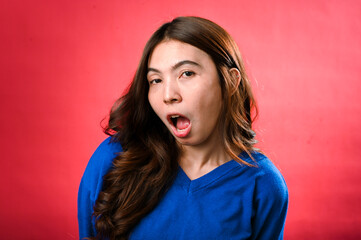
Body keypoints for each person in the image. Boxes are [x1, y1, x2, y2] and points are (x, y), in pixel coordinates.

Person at [78, 16, 288, 240]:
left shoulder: (264, 184)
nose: (168, 95)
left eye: (186, 73)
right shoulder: (114, 158)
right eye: (156, 80)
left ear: (230, 82)